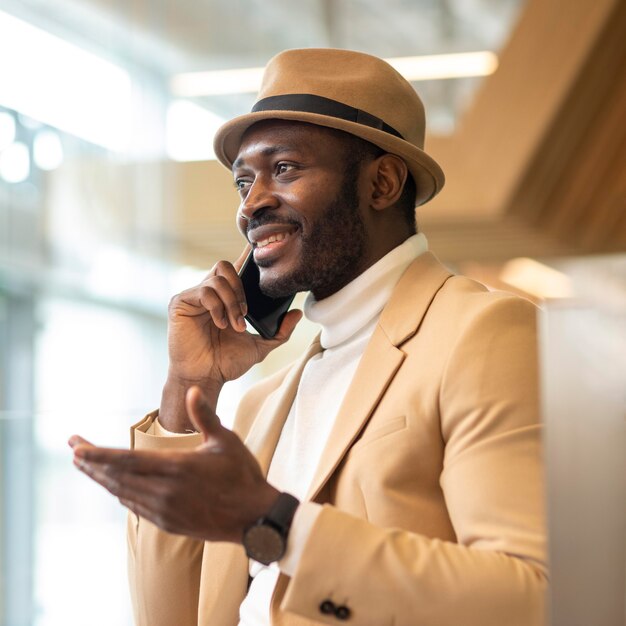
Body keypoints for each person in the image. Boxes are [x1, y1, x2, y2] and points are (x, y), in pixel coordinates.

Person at [70, 48, 547, 626]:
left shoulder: (481, 333)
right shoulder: (259, 405)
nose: (252, 204)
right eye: (243, 180)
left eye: (286, 169)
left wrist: (276, 523)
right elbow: (165, 616)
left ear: (383, 183)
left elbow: (530, 598)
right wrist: (187, 390)